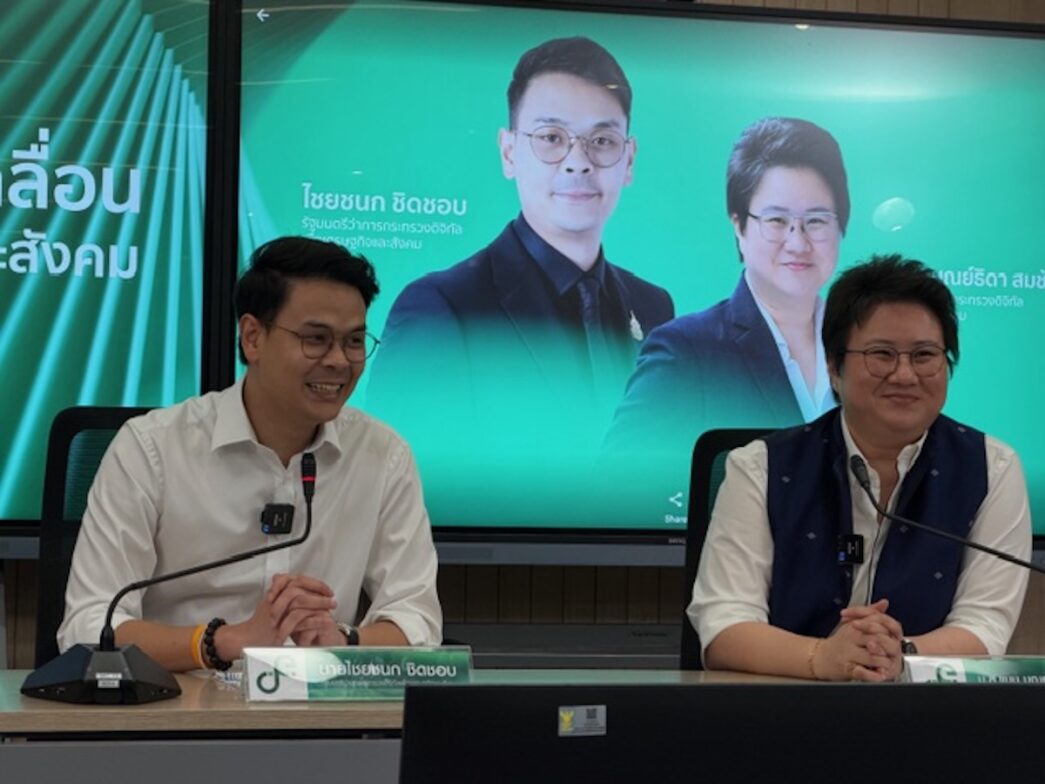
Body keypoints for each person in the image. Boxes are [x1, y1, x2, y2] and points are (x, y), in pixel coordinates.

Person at [58, 236, 442, 672]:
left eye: (354, 341)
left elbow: (417, 622)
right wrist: (222, 642)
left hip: (319, 708)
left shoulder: (382, 455)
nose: (339, 361)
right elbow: (90, 625)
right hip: (177, 704)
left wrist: (342, 641)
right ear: (253, 337)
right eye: (316, 339)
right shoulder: (151, 450)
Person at [689, 255, 1032, 681]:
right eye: (881, 354)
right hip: (783, 703)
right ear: (834, 368)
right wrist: (822, 657)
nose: (904, 375)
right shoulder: (759, 467)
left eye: (924, 355)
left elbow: (985, 627)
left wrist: (898, 656)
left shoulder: (992, 468)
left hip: (926, 711)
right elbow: (724, 626)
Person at [366, 37, 674, 476]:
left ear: (629, 159)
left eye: (602, 140)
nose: (578, 162)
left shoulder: (654, 306)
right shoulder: (442, 308)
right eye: (551, 138)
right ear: (509, 152)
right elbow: (400, 490)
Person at [603, 117, 847, 509]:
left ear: (840, 226)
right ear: (739, 225)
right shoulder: (685, 351)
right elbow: (618, 490)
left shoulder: (864, 345)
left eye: (816, 221)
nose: (797, 242)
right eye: (777, 221)